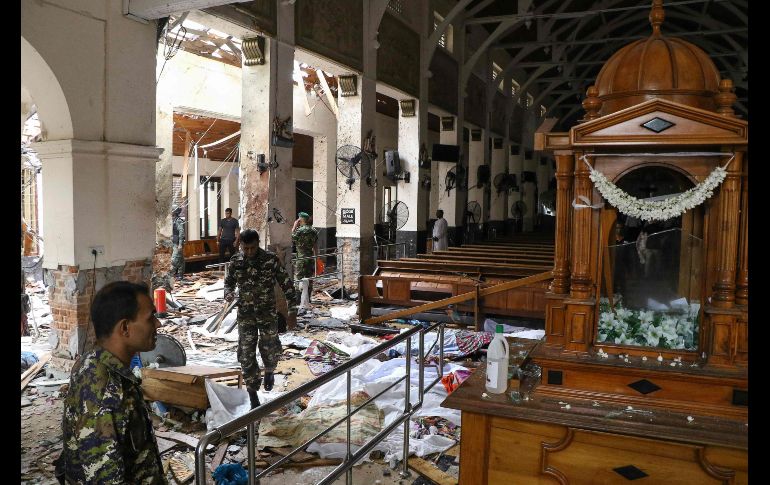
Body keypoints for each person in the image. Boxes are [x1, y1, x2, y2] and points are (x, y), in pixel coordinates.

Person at [54, 281, 165, 484]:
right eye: (151, 318)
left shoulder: (95, 359)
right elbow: (104, 478)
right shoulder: (105, 388)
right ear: (124, 328)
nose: (158, 324)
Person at [224, 229, 298, 408]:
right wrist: (228, 293)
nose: (249, 252)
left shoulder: (270, 260)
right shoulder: (236, 261)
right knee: (246, 354)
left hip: (267, 314)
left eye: (253, 248)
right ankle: (252, 394)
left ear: (258, 244)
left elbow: (286, 283)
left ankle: (270, 370)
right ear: (240, 245)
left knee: (269, 347)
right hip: (246, 315)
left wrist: (292, 311)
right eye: (246, 248)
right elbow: (229, 282)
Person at [291, 212, 319, 290]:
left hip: (301, 258)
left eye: (299, 220)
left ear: (301, 220)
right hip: (310, 257)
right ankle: (308, 298)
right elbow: (315, 246)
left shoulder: (299, 230)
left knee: (298, 278)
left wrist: (294, 226)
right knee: (309, 278)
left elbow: (292, 237)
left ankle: (298, 298)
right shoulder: (314, 230)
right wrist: (316, 258)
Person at [171, 206, 186, 278]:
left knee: (174, 259)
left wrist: (180, 244)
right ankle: (180, 275)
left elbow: (181, 232)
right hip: (174, 242)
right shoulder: (173, 220)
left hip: (178, 243)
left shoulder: (178, 220)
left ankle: (171, 274)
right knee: (181, 260)